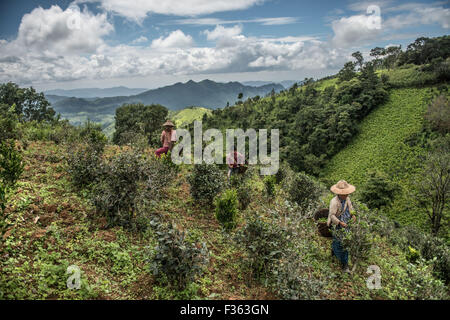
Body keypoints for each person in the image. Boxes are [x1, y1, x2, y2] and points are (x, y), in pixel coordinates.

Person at [327, 180, 357, 273]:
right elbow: (332, 216)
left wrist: (353, 215)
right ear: (339, 194)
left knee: (345, 243)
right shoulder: (334, 202)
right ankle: (343, 263)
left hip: (346, 223)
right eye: (345, 194)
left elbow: (350, 208)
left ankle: (345, 263)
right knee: (338, 242)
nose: (347, 195)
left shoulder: (347, 199)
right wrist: (339, 223)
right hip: (338, 224)